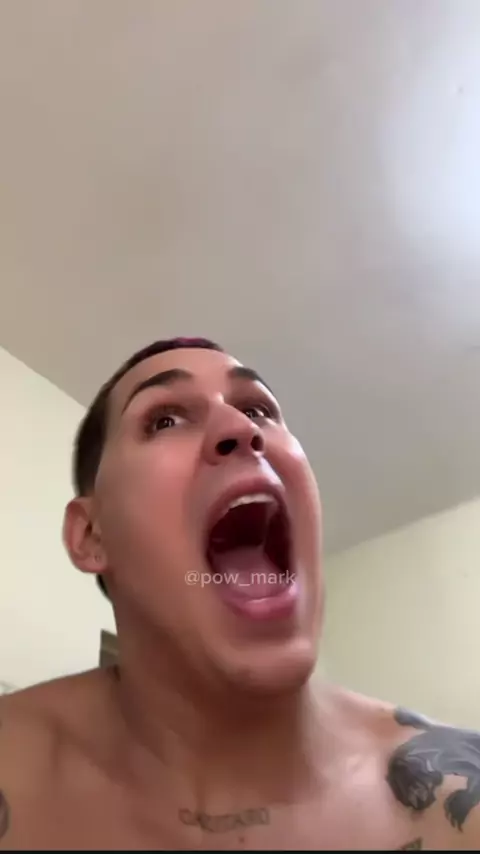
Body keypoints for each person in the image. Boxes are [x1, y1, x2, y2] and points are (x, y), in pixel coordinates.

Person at [0, 337, 479, 851]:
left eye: (257, 411)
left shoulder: (456, 798)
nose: (241, 428)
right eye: (165, 420)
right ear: (92, 535)